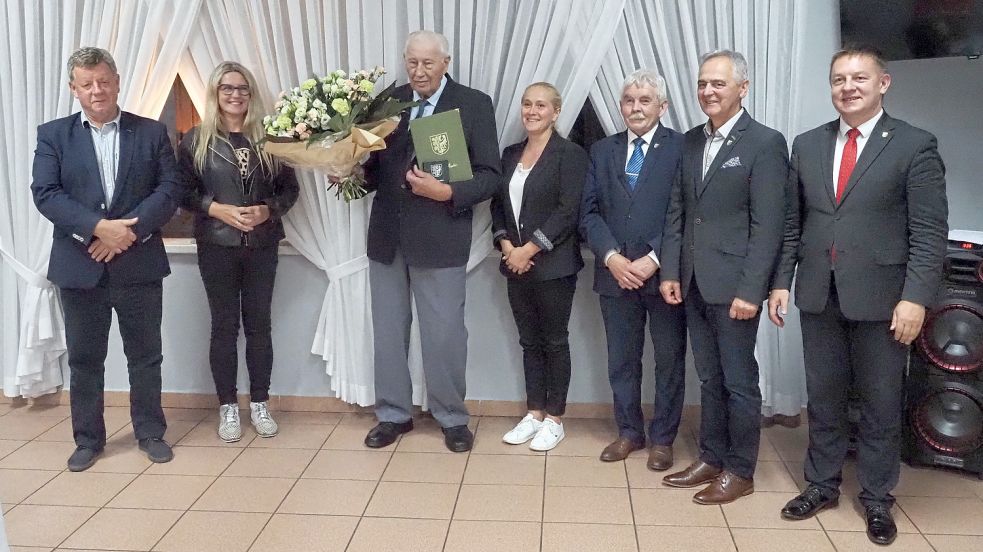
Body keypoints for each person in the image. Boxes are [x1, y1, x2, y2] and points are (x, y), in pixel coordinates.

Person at [769, 46, 947, 545]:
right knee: (823, 398)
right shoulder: (807, 145)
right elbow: (792, 225)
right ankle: (822, 484)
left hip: (886, 301)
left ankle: (876, 498)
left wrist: (915, 297)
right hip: (819, 295)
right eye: (838, 79)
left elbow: (929, 232)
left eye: (858, 78)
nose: (847, 87)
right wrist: (782, 280)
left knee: (880, 404)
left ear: (883, 83)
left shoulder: (914, 145)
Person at [31, 47, 185, 471]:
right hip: (79, 267)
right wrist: (98, 228)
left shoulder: (151, 132)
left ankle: (151, 432)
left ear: (117, 81)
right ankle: (88, 439)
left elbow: (169, 190)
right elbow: (46, 194)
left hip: (138, 264)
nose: (97, 90)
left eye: (103, 80)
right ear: (74, 89)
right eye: (87, 84)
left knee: (145, 356)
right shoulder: (53, 135)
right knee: (84, 359)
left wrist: (127, 234)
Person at [361, 30, 501, 452]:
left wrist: (448, 193)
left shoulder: (474, 104)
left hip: (441, 238)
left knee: (443, 336)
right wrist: (349, 173)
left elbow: (491, 175)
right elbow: (376, 170)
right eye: (412, 62)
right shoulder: (389, 101)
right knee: (387, 333)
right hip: (388, 237)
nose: (418, 72)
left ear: (446, 62)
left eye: (427, 63)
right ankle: (392, 414)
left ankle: (452, 417)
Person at [659, 50, 787, 504]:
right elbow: (679, 211)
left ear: (742, 88)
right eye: (702, 84)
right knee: (709, 378)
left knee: (737, 380)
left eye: (718, 83)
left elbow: (768, 224)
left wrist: (753, 289)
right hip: (693, 281)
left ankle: (740, 469)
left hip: (736, 288)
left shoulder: (765, 142)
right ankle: (711, 457)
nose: (708, 92)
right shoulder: (691, 140)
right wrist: (671, 271)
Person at [178, 62, 299, 443]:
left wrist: (268, 209)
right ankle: (228, 406)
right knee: (224, 327)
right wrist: (217, 209)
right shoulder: (196, 140)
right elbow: (182, 192)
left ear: (251, 93)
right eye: (227, 88)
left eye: (242, 88)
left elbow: (289, 190)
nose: (235, 95)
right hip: (217, 245)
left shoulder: (270, 138)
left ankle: (260, 402)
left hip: (262, 246)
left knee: (259, 326)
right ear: (215, 93)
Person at [580, 70, 687, 469]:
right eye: (629, 100)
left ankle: (663, 438)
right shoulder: (602, 151)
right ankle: (628, 432)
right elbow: (588, 213)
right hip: (615, 275)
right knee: (621, 360)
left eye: (645, 100)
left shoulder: (681, 147)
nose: (636, 107)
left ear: (663, 106)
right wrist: (612, 257)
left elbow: (687, 211)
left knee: (669, 361)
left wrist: (653, 258)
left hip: (664, 277)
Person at [491, 82, 588, 451]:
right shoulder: (510, 153)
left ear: (556, 112)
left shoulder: (570, 154)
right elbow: (498, 206)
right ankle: (533, 414)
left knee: (554, 341)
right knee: (528, 341)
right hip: (514, 264)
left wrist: (528, 249)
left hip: (554, 266)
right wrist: (507, 246)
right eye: (527, 104)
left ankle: (555, 419)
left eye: (541, 105)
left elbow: (568, 211)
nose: (532, 111)